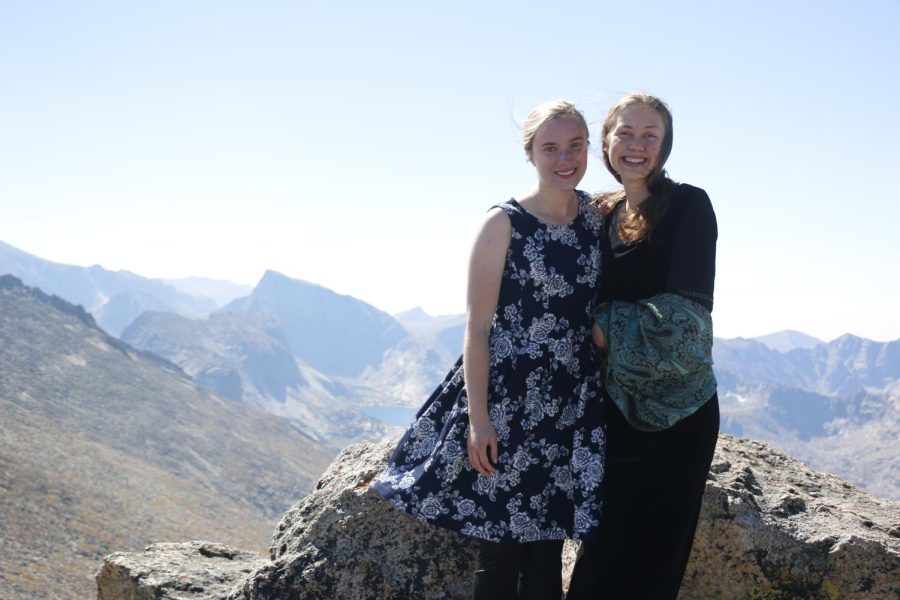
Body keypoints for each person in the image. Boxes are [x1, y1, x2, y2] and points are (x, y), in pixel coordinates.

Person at [372, 99, 606, 600]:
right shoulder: (503, 224)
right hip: (508, 399)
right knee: (499, 548)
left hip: (571, 402)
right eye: (550, 148)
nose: (564, 158)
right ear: (530, 155)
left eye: (575, 145)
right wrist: (479, 421)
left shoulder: (598, 219)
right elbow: (477, 328)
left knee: (546, 547)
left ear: (590, 148)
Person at [565, 92, 719, 600]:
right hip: (612, 407)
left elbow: (685, 321)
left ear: (665, 145)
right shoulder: (599, 214)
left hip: (676, 416)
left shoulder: (689, 205)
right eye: (624, 133)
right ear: (606, 143)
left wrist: (601, 328)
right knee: (601, 554)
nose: (636, 145)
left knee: (651, 562)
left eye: (649, 135)